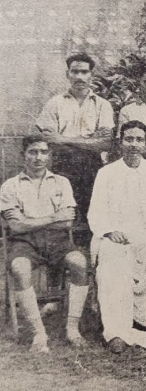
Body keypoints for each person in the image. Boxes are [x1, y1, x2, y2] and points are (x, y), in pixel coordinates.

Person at [88, 120, 146, 353]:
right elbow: (96, 212)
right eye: (129, 139)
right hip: (115, 235)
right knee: (113, 257)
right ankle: (116, 330)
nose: (134, 145)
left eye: (139, 140)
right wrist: (108, 231)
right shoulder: (106, 173)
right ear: (120, 142)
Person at [0, 135, 89, 352]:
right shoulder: (10, 186)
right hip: (24, 243)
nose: (38, 157)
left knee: (79, 262)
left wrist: (30, 221)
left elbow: (67, 221)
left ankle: (72, 328)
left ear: (49, 156)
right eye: (33, 152)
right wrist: (51, 218)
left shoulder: (61, 182)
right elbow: (16, 227)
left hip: (58, 241)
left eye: (43, 152)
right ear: (23, 156)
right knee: (20, 268)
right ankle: (40, 334)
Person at [36, 52, 114, 220]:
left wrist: (63, 138)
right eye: (75, 71)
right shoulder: (54, 103)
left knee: (92, 214)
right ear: (67, 74)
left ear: (91, 75)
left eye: (84, 72)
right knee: (64, 213)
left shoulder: (103, 105)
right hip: (62, 165)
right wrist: (91, 139)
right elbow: (49, 139)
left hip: (92, 166)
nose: (79, 77)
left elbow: (105, 143)